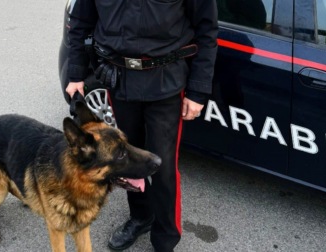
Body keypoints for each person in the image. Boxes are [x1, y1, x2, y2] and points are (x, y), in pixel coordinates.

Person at [65, 1, 218, 251]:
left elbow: (207, 30)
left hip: (166, 82)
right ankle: (141, 217)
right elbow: (80, 23)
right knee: (125, 160)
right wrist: (75, 74)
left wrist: (198, 90)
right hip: (120, 80)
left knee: (163, 166)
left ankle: (165, 239)